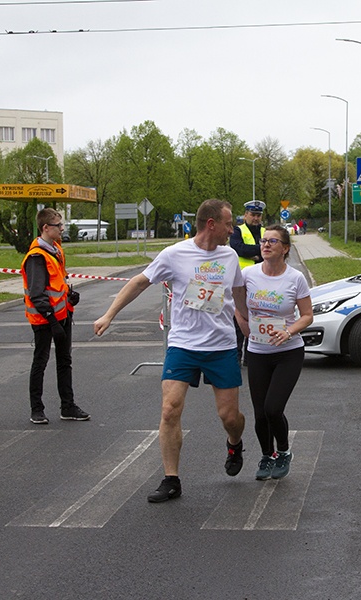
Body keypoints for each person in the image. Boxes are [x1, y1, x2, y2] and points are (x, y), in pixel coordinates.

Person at [93, 199, 249, 503]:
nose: (233, 230)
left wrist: (246, 322)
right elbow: (139, 282)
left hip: (221, 346)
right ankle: (171, 479)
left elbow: (239, 291)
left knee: (229, 417)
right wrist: (109, 314)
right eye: (229, 224)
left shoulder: (229, 257)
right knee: (169, 410)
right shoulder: (174, 254)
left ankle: (235, 442)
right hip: (183, 345)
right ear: (211, 224)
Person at [235, 225, 313, 481]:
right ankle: (267, 456)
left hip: (288, 352)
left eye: (273, 241)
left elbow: (307, 316)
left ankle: (284, 451)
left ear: (285, 248)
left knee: (273, 408)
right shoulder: (248, 274)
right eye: (263, 241)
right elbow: (236, 304)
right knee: (259, 413)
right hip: (257, 350)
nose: (266, 245)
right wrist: (243, 324)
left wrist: (289, 331)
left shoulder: (295, 278)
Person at [22, 207, 90, 425]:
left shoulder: (56, 250)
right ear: (45, 228)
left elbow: (57, 284)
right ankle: (37, 409)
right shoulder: (36, 256)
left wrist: (70, 297)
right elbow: (36, 293)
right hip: (44, 320)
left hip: (63, 315)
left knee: (65, 361)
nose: (62, 229)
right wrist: (52, 320)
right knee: (40, 362)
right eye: (58, 225)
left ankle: (68, 406)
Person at [229, 200, 266, 364]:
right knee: (239, 319)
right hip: (241, 281)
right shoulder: (238, 230)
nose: (256, 218)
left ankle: (250, 356)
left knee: (257, 317)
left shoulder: (266, 231)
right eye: (252, 215)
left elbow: (274, 249)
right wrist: (259, 251)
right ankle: (236, 355)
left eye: (258, 215)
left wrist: (252, 253)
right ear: (245, 215)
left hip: (262, 281)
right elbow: (238, 248)